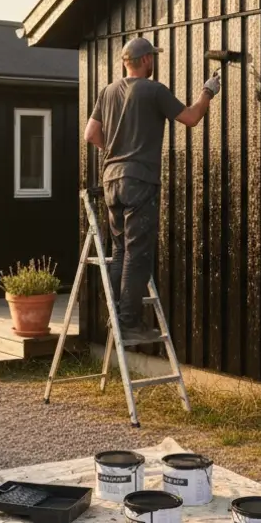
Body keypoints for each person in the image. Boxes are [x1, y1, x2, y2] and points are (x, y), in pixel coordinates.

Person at [84, 37, 221, 345]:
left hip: (111, 180)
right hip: (139, 181)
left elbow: (90, 134)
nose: (153, 62)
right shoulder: (154, 90)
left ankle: (117, 318)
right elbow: (191, 117)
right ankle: (129, 324)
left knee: (120, 251)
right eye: (153, 58)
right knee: (137, 253)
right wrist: (208, 91)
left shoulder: (107, 92)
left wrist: (117, 151)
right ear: (146, 59)